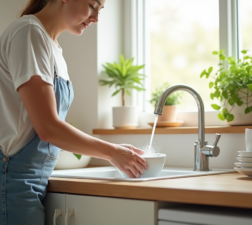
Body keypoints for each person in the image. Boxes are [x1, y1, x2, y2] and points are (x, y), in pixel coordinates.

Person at [0, 0, 148, 224]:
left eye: (100, 9)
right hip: (13, 183)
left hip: (31, 182)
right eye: (92, 5)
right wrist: (112, 152)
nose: (96, 18)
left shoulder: (52, 45)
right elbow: (48, 128)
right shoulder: (28, 32)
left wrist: (114, 151)